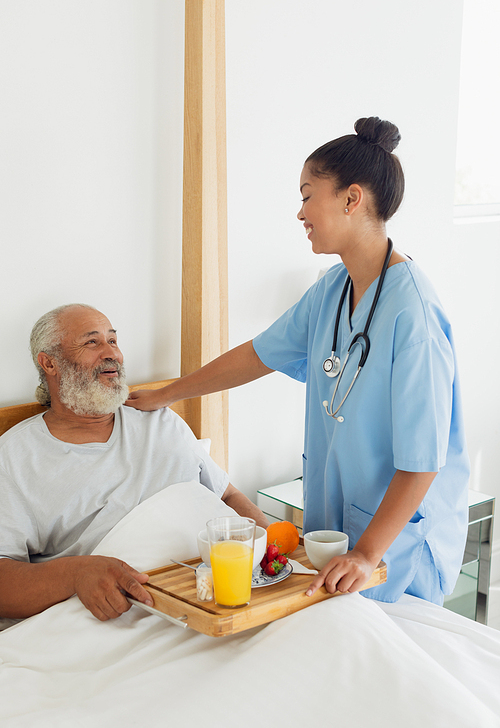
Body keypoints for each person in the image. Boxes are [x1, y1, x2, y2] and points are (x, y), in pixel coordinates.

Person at [126, 116, 470, 606]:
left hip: (398, 544)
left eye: (308, 195)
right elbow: (256, 355)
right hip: (339, 532)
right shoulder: (332, 288)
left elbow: (423, 462)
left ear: (351, 199)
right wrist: (167, 394)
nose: (300, 212)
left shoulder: (414, 314)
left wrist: (369, 554)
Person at [0, 304, 267, 628]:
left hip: (228, 598)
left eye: (113, 341)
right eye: (92, 343)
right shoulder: (16, 457)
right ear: (49, 363)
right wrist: (75, 574)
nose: (111, 353)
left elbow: (227, 497)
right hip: (117, 621)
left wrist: (271, 554)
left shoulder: (160, 419)